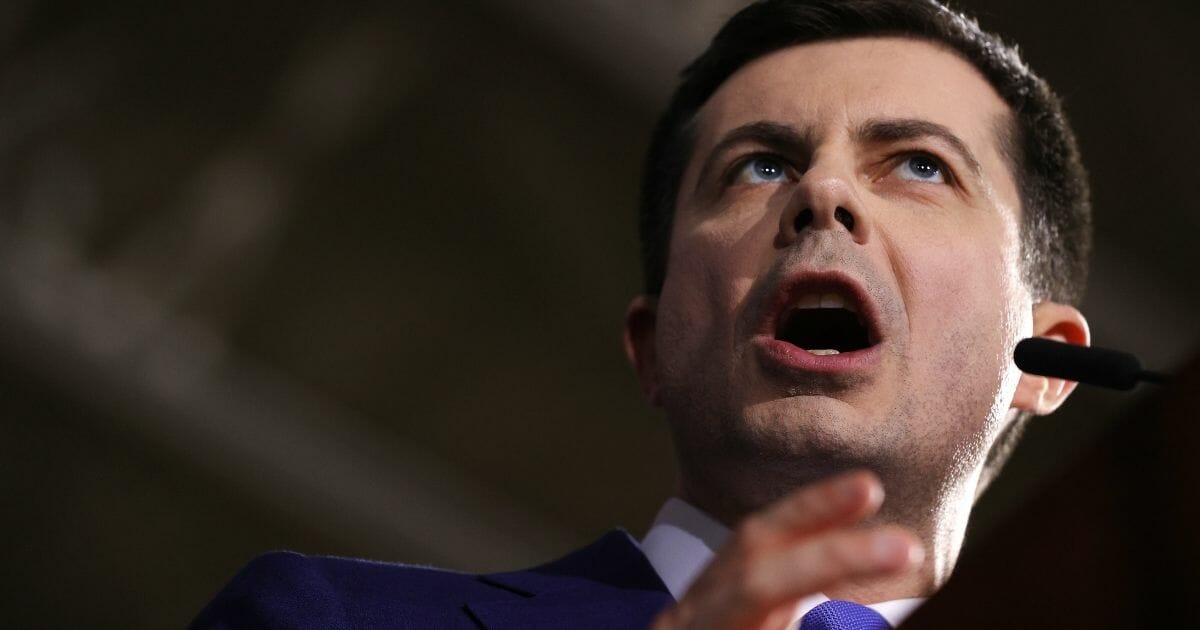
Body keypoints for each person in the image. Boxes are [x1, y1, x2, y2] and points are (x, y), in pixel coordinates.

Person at [190, 1, 1092, 628]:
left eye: (920, 164)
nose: (822, 191)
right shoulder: (322, 621)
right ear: (652, 345)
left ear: (1047, 364)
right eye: (758, 166)